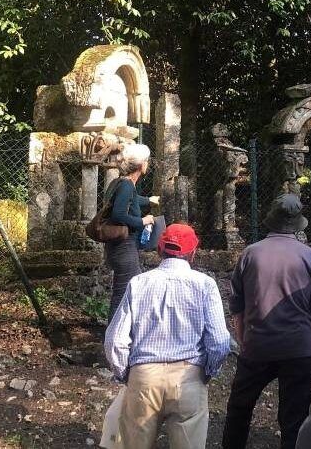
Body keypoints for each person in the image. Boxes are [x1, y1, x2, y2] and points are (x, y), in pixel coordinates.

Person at [104, 223, 232, 449]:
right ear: (193, 253)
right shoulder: (205, 285)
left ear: (159, 250)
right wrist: (208, 372)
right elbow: (220, 341)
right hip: (188, 378)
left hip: (144, 377)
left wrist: (127, 374)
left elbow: (115, 340)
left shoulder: (139, 283)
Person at [222, 194, 311, 449]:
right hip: (298, 347)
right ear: (298, 224)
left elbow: (237, 306)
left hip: (257, 344)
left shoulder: (250, 254)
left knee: (239, 408)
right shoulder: (309, 256)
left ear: (271, 220)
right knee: (294, 419)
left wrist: (244, 339)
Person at [104, 143, 158, 316]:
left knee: (129, 290)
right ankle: (111, 337)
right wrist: (143, 220)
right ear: (142, 165)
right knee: (122, 294)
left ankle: (120, 333)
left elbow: (132, 199)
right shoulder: (127, 186)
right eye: (147, 161)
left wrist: (149, 200)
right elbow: (118, 214)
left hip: (119, 248)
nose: (148, 164)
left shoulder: (120, 183)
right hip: (124, 248)